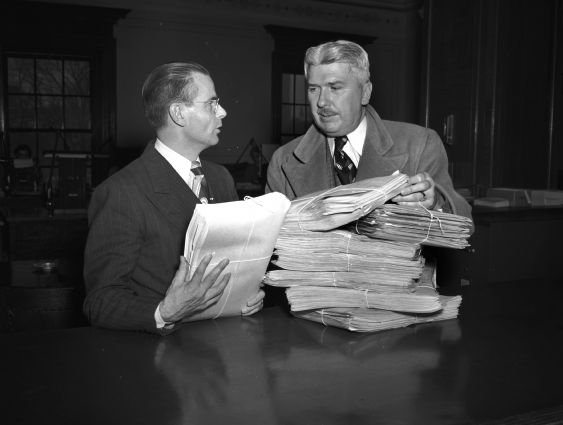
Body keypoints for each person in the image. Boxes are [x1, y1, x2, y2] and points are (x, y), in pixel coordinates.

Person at [84, 62, 265, 334]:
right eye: (212, 103)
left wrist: (243, 295)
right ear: (178, 113)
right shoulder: (121, 192)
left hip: (227, 345)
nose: (223, 112)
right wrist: (165, 311)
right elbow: (100, 302)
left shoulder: (221, 178)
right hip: (162, 354)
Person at [266, 40, 471, 219]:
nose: (321, 101)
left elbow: (465, 222)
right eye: (313, 89)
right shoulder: (283, 161)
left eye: (335, 88)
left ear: (365, 92)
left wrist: (434, 204)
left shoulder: (419, 144)